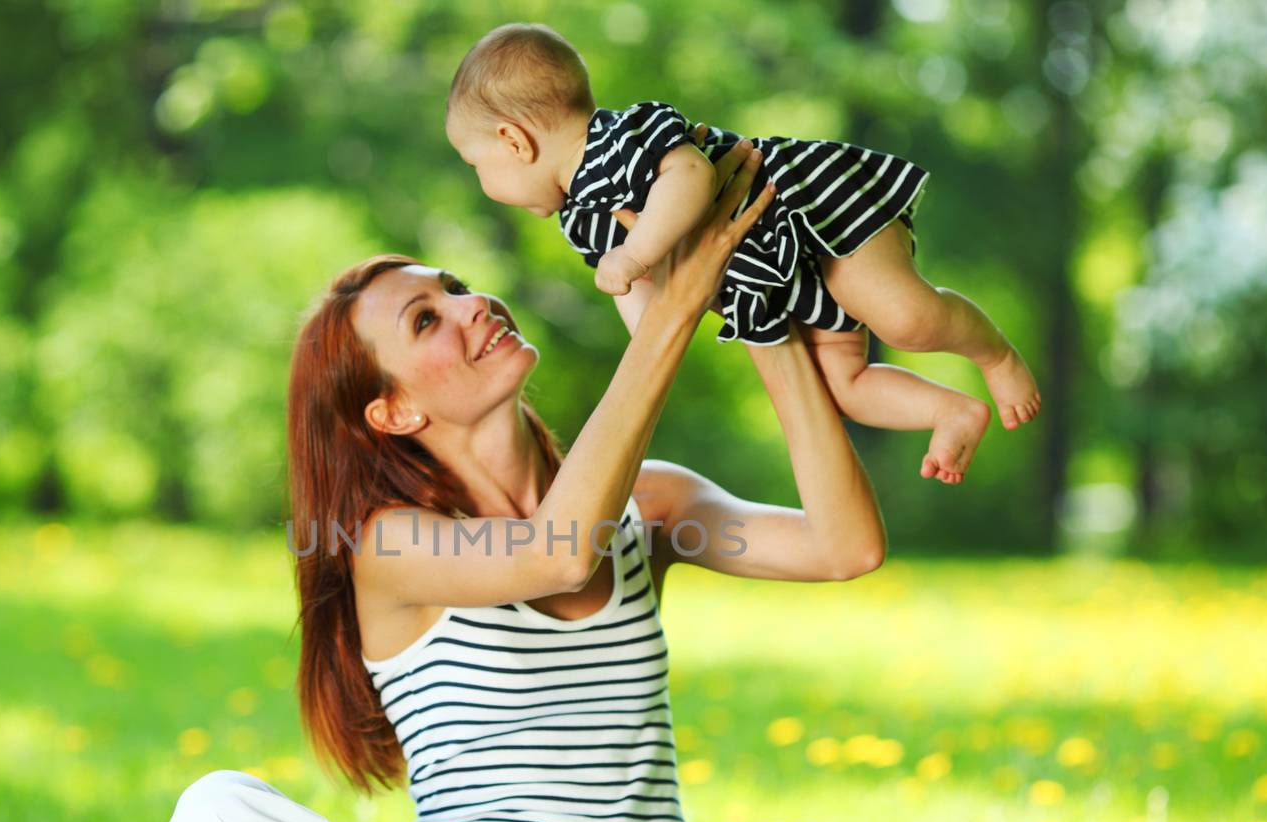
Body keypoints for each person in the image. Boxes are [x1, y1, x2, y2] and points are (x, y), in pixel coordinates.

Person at [167, 141, 883, 822]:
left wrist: (763, 313)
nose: (473, 306)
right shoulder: (388, 543)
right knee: (213, 815)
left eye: (457, 285)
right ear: (393, 413)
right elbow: (553, 553)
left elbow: (844, 545)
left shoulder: (648, 508)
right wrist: (672, 307)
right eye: (427, 320)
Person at [445, 23, 1043, 485]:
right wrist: (652, 345)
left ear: (514, 141)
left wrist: (636, 254)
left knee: (904, 317)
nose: (482, 183)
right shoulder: (582, 222)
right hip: (785, 281)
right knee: (845, 388)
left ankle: (993, 356)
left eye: (477, 167)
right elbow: (647, 302)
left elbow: (689, 178)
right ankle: (952, 411)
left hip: (813, 216)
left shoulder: (617, 138)